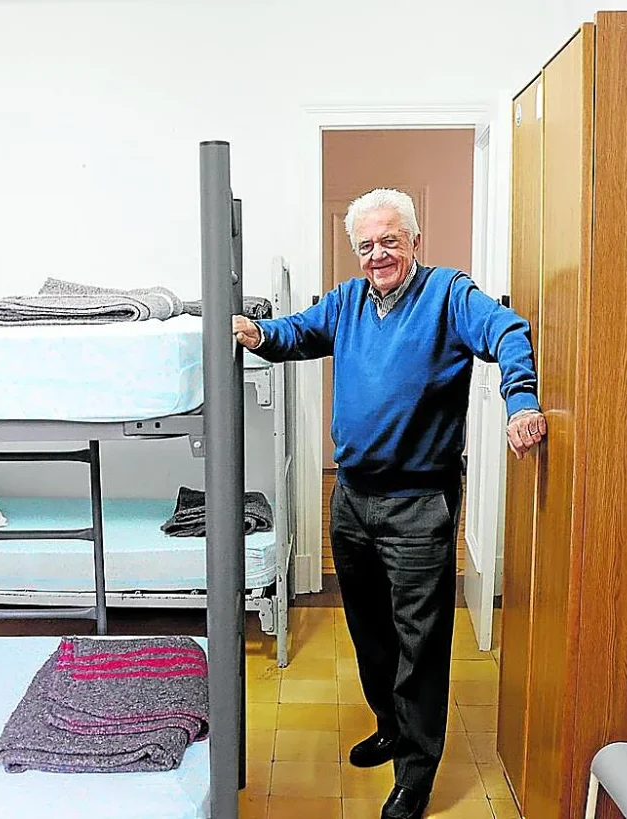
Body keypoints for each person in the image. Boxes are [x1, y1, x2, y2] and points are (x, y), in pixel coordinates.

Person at [233, 188, 545, 819]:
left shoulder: (449, 294)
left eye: (390, 241)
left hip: (418, 505)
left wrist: (522, 401)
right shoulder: (347, 300)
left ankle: (416, 772)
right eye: (366, 245)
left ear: (415, 242)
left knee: (419, 644)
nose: (377, 254)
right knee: (370, 632)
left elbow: (509, 330)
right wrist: (257, 333)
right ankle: (391, 726)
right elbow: (298, 332)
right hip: (351, 499)